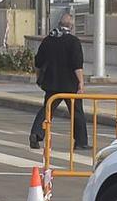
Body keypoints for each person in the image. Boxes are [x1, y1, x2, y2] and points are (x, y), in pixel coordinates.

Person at [30, 13, 87, 151]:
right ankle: (80, 141)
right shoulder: (73, 42)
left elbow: (38, 62)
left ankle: (36, 134)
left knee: (47, 110)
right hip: (70, 84)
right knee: (77, 112)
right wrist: (81, 82)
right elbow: (77, 65)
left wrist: (39, 78)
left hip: (52, 83)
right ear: (71, 26)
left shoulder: (48, 41)